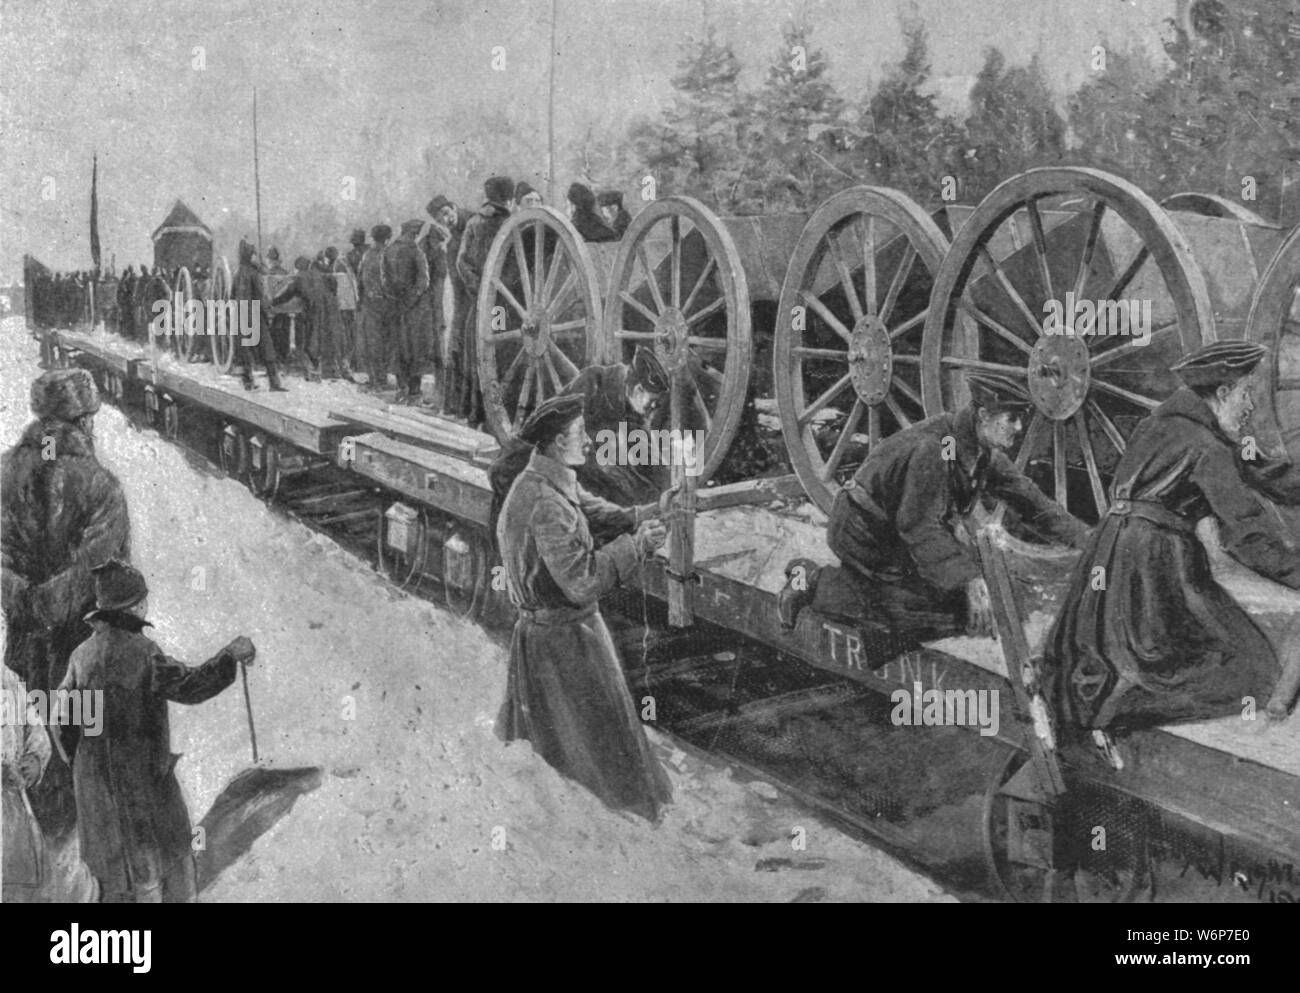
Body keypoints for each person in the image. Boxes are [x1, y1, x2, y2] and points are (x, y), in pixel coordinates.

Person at [1047, 341, 1300, 732]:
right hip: (1156, 563)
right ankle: (1114, 710)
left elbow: (1263, 471)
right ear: (1223, 393)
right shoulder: (1207, 447)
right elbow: (1245, 534)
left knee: (1123, 649)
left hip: (1111, 552)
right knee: (1253, 670)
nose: (1250, 406)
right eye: (1246, 394)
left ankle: (1098, 695)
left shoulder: (1163, 426)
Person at [779, 373, 1092, 652]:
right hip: (864, 534)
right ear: (984, 415)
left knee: (983, 602)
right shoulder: (934, 447)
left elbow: (1033, 504)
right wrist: (968, 580)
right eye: (1011, 419)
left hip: (898, 535)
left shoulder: (980, 450)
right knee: (945, 614)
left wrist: (1090, 542)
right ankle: (813, 581)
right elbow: (919, 526)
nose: (1019, 428)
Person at [496, 394, 672, 821]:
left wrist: (644, 513)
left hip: (551, 635)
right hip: (566, 641)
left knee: (561, 739)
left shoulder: (545, 481)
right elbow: (582, 582)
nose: (590, 441)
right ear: (559, 442)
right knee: (594, 742)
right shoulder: (545, 504)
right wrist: (636, 546)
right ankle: (618, 821)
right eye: (580, 433)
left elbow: (590, 510)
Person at [53, 560, 257, 903]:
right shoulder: (143, 652)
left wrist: (86, 769)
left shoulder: (80, 657)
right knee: (165, 868)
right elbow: (190, 686)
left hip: (98, 795)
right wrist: (229, 656)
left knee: (114, 881)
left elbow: (62, 722)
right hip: (143, 786)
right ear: (135, 606)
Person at [1, 368, 132, 833]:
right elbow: (101, 570)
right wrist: (54, 603)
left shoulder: (3, 474)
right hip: (78, 647)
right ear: (85, 420)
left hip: (17, 643)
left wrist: (24, 599)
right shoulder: (102, 487)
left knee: (22, 740)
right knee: (79, 745)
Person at [488, 346, 670, 549]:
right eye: (653, 403)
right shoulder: (592, 385)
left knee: (634, 494)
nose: (654, 409)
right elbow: (549, 429)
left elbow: (646, 455)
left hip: (580, 467)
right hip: (540, 465)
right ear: (638, 390)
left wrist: (668, 489)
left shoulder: (632, 404)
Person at [457, 177, 516, 426]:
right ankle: (499, 412)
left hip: (480, 301)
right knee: (498, 352)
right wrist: (499, 292)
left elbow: (462, 262)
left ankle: (476, 412)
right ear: (509, 198)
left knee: (477, 354)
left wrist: (480, 291)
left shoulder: (474, 222)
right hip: (501, 305)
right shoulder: (511, 223)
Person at [2, 664, 52, 903]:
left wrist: (35, 758)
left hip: (11, 802)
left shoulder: (9, 679)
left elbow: (35, 727)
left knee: (16, 885)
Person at [429, 196, 476, 419]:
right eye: (441, 219)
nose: (447, 220)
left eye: (448, 213)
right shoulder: (453, 241)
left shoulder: (474, 225)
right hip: (464, 300)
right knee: (458, 347)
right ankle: (458, 405)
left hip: (484, 301)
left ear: (454, 207)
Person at [384, 219, 434, 405]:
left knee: (399, 348)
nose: (414, 238)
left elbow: (384, 281)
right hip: (415, 310)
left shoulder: (389, 251)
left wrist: (394, 299)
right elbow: (423, 282)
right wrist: (409, 301)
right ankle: (413, 392)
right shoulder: (416, 252)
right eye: (414, 234)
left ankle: (402, 389)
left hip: (396, 306)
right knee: (415, 349)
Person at [231, 239, 286, 391]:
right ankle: (274, 384)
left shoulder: (238, 273)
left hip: (242, 313)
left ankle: (248, 383)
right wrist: (268, 312)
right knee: (267, 349)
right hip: (255, 313)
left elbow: (232, 295)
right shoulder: (254, 274)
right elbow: (261, 296)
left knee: (245, 351)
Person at [271, 256, 333, 382]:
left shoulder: (299, 277)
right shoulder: (317, 275)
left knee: (307, 339)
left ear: (298, 267)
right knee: (318, 339)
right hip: (324, 310)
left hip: (311, 310)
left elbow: (287, 294)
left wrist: (273, 302)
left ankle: (311, 371)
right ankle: (318, 368)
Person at [357, 223, 394, 393]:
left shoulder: (367, 256)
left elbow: (360, 281)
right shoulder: (389, 254)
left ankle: (375, 379)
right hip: (386, 304)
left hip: (369, 304)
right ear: (387, 239)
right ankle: (381, 378)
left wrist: (361, 301)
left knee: (372, 343)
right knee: (385, 342)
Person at [327, 246, 359, 383]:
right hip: (344, 309)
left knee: (345, 339)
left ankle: (344, 367)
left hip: (345, 309)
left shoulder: (340, 266)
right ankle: (343, 368)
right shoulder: (342, 267)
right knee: (344, 339)